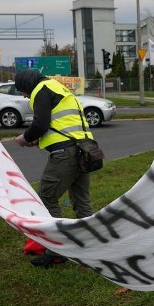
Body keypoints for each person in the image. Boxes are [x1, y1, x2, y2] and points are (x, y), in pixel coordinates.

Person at [13, 70, 95, 267]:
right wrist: (39, 140)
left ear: (28, 85)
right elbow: (61, 124)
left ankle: (57, 250)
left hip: (65, 153)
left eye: (23, 91)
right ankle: (92, 245)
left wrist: (25, 138)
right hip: (85, 149)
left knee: (47, 198)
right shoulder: (57, 86)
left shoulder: (40, 89)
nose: (24, 95)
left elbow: (41, 124)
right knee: (81, 200)